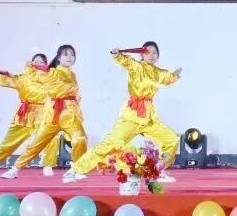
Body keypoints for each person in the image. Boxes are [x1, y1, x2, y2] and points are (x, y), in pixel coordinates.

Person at [64, 42, 180, 183]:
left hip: (149, 118)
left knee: (172, 139)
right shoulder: (136, 66)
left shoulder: (158, 72)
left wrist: (176, 74)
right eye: (148, 52)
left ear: (158, 56)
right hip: (132, 116)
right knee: (109, 144)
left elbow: (168, 77)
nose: (151, 55)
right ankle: (76, 170)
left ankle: (157, 171)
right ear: (142, 54)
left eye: (154, 52)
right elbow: (125, 61)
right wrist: (118, 55)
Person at [3, 45, 89, 179]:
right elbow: (37, 76)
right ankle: (15, 168)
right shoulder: (53, 72)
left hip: (70, 114)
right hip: (54, 115)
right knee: (37, 144)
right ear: (59, 58)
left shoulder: (72, 74)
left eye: (72, 54)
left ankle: (77, 169)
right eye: (66, 54)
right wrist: (30, 68)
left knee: (80, 139)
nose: (70, 57)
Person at [0, 53, 60, 177]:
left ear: (46, 64)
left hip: (44, 113)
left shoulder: (51, 79)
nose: (38, 64)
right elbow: (8, 79)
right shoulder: (24, 78)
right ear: (31, 63)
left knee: (51, 138)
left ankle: (48, 165)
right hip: (25, 114)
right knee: (9, 142)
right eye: (35, 61)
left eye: (41, 62)